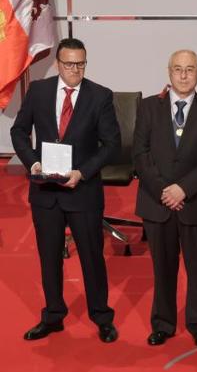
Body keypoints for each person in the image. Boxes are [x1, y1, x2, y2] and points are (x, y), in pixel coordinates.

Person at [11, 37, 120, 342]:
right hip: (45, 193)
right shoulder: (39, 92)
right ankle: (53, 316)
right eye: (70, 64)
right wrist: (32, 163)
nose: (75, 69)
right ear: (58, 64)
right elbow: (19, 131)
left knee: (92, 258)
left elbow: (111, 145)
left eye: (81, 63)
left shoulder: (100, 96)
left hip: (82, 193)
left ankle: (101, 316)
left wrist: (83, 172)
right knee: (49, 258)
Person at [133, 50, 197, 347]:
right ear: (168, 72)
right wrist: (164, 190)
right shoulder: (147, 108)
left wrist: (183, 189)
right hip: (156, 202)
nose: (183, 75)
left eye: (189, 70)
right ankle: (163, 323)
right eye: (177, 69)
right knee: (163, 268)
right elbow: (140, 155)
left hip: (196, 202)